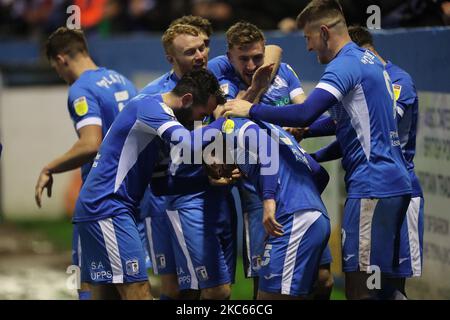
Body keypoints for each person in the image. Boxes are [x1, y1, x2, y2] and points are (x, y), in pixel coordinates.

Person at [222, 0, 412, 300]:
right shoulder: (370, 61)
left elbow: (304, 113)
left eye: (309, 38)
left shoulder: (344, 64)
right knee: (384, 286)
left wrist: (251, 109)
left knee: (360, 289)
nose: (309, 48)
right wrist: (306, 143)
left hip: (372, 185)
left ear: (324, 32)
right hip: (395, 184)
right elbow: (340, 124)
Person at [73, 69, 227, 300]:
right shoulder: (151, 107)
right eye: (202, 114)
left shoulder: (158, 119)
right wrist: (225, 122)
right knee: (139, 293)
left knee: (107, 296)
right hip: (108, 207)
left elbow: (161, 185)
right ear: (186, 100)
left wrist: (208, 175)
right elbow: (188, 144)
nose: (201, 121)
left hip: (103, 206)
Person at [211, 21, 333, 299]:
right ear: (230, 56)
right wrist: (255, 90)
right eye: (244, 59)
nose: (252, 65)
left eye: (257, 56)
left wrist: (300, 125)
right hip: (258, 199)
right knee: (265, 282)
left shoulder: (283, 71)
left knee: (323, 280)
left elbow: (304, 109)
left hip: (294, 189)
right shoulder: (224, 80)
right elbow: (227, 119)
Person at [34, 27, 137, 300]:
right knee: (119, 284)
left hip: (100, 198)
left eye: (55, 67)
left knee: (92, 284)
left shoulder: (81, 89)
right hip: (131, 194)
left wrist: (50, 167)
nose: (59, 74)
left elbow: (91, 143)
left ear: (61, 59)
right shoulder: (122, 80)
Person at [204, 117, 331, 299]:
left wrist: (270, 199)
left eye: (217, 168)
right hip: (314, 218)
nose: (224, 173)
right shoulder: (276, 134)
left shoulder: (237, 128)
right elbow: (321, 174)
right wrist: (307, 201)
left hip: (294, 218)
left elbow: (267, 150)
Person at [347, 26, 424, 298]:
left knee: (385, 283)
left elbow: (385, 123)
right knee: (371, 283)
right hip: (381, 188)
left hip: (398, 188)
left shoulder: (397, 79)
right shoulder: (365, 82)